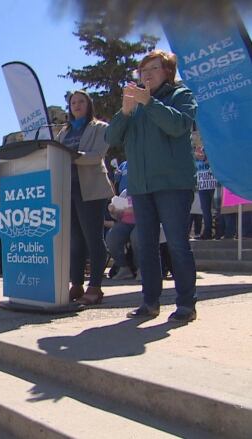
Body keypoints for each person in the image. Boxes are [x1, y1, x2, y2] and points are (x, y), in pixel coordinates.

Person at [107, 49, 199, 322]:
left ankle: (186, 304)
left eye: (153, 69)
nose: (146, 75)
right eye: (143, 71)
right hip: (141, 186)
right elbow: (112, 136)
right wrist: (124, 112)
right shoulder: (133, 105)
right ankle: (150, 302)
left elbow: (178, 126)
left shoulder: (181, 96)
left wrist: (150, 103)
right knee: (144, 245)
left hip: (173, 184)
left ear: (167, 73)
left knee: (177, 243)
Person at [56, 90, 114, 306]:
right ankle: (77, 284)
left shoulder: (100, 128)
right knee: (75, 241)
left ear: (89, 105)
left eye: (81, 102)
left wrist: (71, 157)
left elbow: (97, 156)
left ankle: (95, 286)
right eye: (73, 102)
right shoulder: (64, 131)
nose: (77, 105)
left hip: (91, 190)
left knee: (93, 238)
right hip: (67, 189)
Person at [106, 190, 139, 280]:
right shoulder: (125, 192)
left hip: (141, 222)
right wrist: (113, 210)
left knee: (136, 237)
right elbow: (117, 216)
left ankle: (141, 268)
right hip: (125, 223)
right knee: (111, 237)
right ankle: (124, 267)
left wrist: (134, 209)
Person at [194, 137, 217, 240]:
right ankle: (207, 232)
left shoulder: (214, 149)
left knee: (216, 210)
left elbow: (215, 163)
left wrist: (204, 158)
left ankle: (218, 232)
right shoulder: (199, 151)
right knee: (205, 210)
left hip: (213, 185)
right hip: (202, 185)